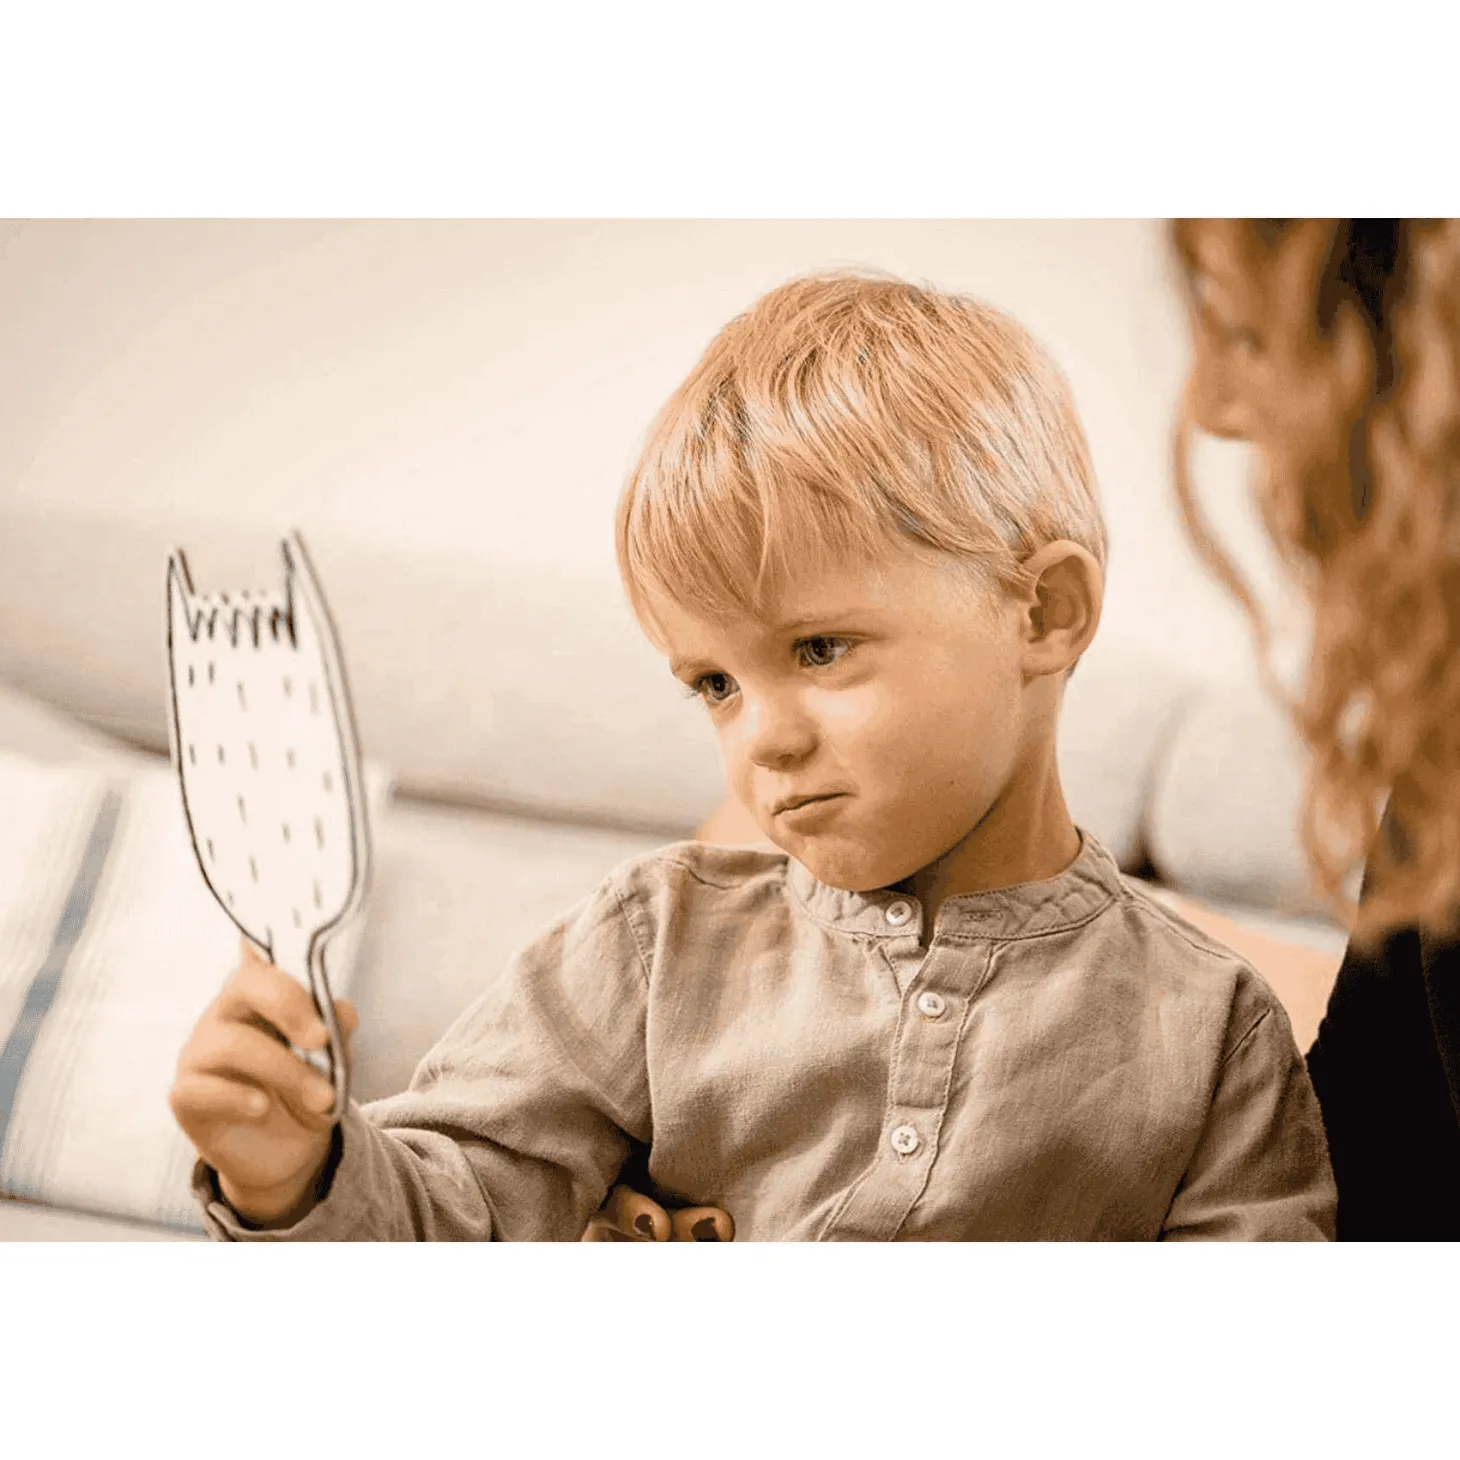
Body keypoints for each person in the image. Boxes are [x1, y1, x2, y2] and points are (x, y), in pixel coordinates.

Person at [170, 271, 1336, 1241]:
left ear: (1044, 613)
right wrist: (296, 1173)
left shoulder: (1210, 1030)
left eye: (818, 648)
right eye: (714, 685)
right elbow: (456, 1206)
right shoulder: (648, 941)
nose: (762, 738)